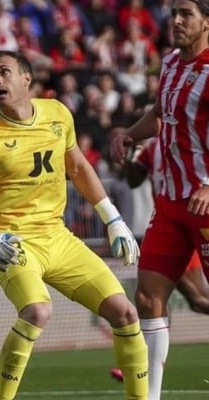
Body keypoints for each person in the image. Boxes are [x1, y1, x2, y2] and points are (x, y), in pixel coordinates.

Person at [0, 50, 148, 400]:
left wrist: (113, 218)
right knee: (37, 311)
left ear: (26, 78)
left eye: (4, 72)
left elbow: (78, 168)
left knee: (126, 312)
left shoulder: (57, 114)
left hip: (57, 237)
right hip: (10, 244)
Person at [110, 1, 209, 398]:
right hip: (170, 204)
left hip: (205, 202)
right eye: (174, 14)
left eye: (186, 14)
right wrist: (129, 134)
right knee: (148, 297)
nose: (177, 21)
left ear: (207, 20)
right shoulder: (169, 62)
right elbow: (158, 113)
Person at [111, 137, 209, 383]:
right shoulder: (153, 148)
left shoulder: (192, 136)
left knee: (197, 300)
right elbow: (134, 180)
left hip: (195, 220)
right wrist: (131, 155)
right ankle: (144, 365)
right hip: (168, 226)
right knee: (152, 297)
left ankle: (143, 362)